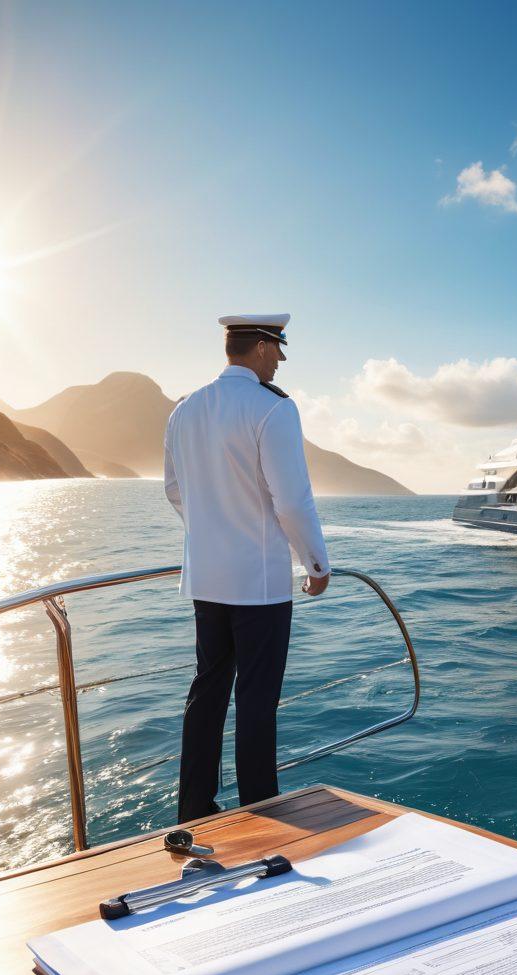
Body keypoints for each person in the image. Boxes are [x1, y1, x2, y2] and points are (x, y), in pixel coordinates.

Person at [164, 312, 330, 822]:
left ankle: (193, 809)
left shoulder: (184, 409)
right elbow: (292, 501)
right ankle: (259, 811)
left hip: (206, 578)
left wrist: (211, 531)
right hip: (259, 585)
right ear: (260, 347)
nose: (279, 360)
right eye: (278, 349)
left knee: (207, 691)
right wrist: (315, 563)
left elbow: (174, 489)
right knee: (256, 700)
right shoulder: (273, 408)